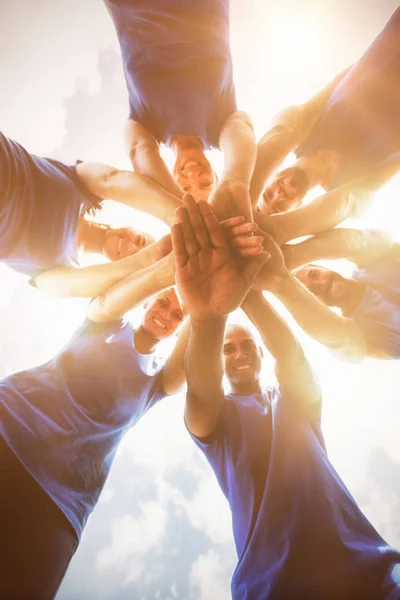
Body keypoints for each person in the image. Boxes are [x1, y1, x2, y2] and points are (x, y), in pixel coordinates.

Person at [0, 197, 262, 599]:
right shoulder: (105, 322)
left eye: (177, 316)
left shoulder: (158, 381)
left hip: (59, 502)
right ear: (148, 304)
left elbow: (203, 320)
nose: (167, 315)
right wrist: (173, 264)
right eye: (162, 304)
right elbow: (112, 300)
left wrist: (207, 291)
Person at [172, 207, 400, 599]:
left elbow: (292, 359)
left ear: (261, 352)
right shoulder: (219, 424)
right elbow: (201, 392)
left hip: (373, 574)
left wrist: (251, 294)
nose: (239, 352)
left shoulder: (294, 402)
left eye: (246, 345)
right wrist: (208, 317)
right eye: (228, 349)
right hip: (275, 585)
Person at [250, 7, 400, 244]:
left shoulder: (302, 129)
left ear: (269, 177)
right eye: (280, 206)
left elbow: (340, 79)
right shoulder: (352, 185)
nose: (279, 193)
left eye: (268, 193)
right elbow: (350, 204)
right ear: (296, 208)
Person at [105, 0, 256, 220]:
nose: (194, 175)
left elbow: (140, 151)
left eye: (185, 188)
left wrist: (183, 213)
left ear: (173, 181)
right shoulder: (220, 125)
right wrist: (235, 181)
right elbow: (244, 132)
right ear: (216, 175)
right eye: (206, 183)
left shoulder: (147, 127)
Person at [0, 130, 183, 297]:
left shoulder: (61, 269)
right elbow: (111, 179)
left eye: (134, 255)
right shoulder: (84, 189)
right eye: (139, 240)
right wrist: (180, 216)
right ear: (130, 228)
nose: (131, 246)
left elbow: (76, 286)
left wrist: (150, 258)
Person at [256, 228, 400, 361]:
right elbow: (338, 338)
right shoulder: (360, 333)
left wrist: (292, 255)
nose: (322, 284)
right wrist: (281, 285)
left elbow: (350, 243)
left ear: (323, 267)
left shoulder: (374, 262)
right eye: (311, 292)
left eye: (315, 274)